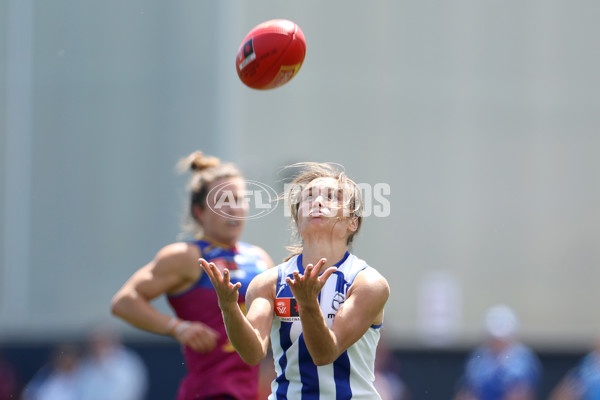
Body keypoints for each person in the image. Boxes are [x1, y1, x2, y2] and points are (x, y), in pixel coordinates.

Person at [201, 162, 390, 399]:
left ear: (353, 222)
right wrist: (228, 308)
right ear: (298, 223)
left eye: (332, 197)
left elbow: (325, 354)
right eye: (308, 198)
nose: (318, 203)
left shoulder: (368, 283)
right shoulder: (268, 282)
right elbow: (252, 353)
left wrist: (307, 303)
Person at [111, 150, 274, 400]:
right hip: (210, 392)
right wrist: (177, 327)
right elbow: (124, 302)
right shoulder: (187, 256)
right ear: (199, 212)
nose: (233, 208)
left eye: (239, 199)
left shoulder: (260, 258)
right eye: (222, 201)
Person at [453, 305, 542, 400]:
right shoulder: (476, 359)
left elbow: (523, 394)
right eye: (494, 339)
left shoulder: (524, 361)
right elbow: (465, 392)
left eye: (501, 341)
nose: (497, 344)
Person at [77, 325, 148, 400]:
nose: (97, 347)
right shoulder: (86, 364)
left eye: (101, 342)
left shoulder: (127, 362)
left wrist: (105, 362)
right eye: (93, 343)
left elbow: (129, 389)